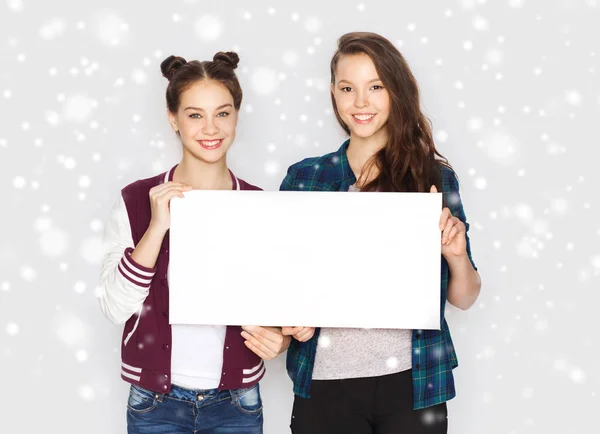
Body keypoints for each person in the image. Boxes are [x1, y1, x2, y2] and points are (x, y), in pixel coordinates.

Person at [280, 32, 482, 434]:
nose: (360, 102)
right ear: (333, 94)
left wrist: (456, 254)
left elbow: (465, 296)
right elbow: (282, 283)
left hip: (413, 381)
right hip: (325, 382)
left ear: (396, 92)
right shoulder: (305, 178)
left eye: (376, 87)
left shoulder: (433, 177)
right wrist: (289, 321)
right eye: (347, 88)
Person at [99, 51, 290, 434]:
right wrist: (156, 229)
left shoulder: (262, 205)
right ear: (173, 118)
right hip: (154, 403)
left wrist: (280, 340)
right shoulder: (137, 200)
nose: (211, 128)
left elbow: (279, 310)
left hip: (237, 401)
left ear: (237, 116)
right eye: (194, 114)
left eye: (222, 113)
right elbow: (114, 307)